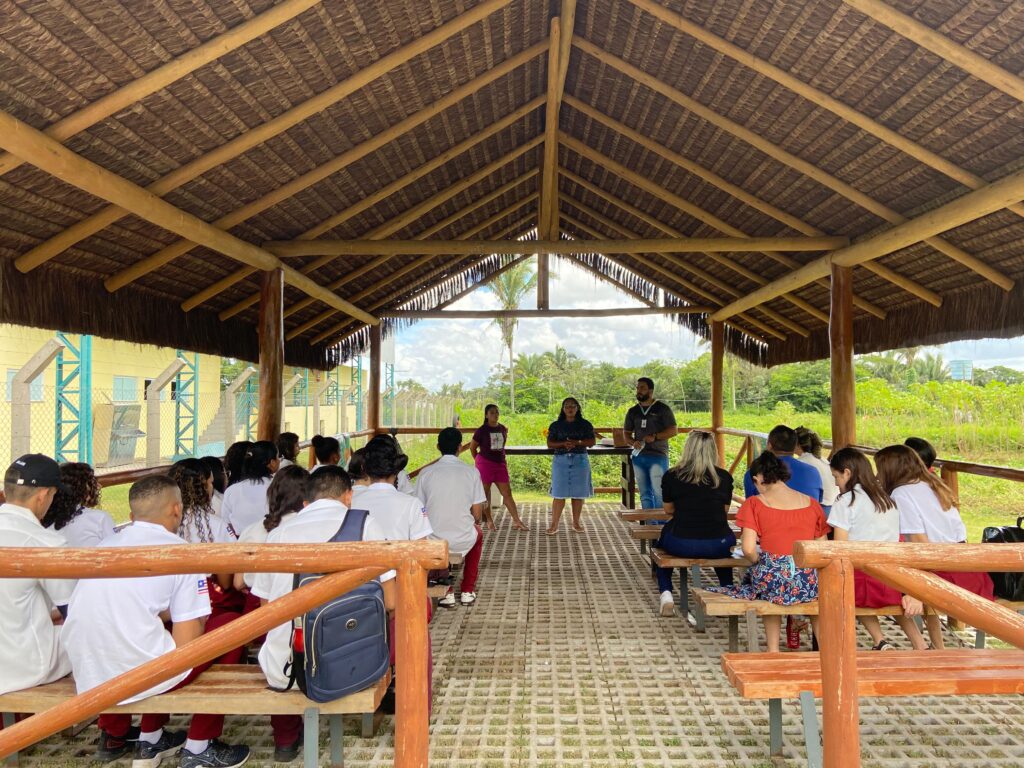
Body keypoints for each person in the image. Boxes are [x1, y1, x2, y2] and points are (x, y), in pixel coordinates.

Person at [62, 475, 252, 767]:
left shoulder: (105, 545)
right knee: (230, 625)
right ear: (177, 509)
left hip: (88, 673)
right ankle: (200, 746)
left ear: (131, 515)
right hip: (140, 676)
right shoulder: (180, 552)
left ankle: (150, 740)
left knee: (160, 631)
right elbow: (187, 648)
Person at [252, 466, 394, 732]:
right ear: (349, 497)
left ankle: (286, 737)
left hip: (287, 670)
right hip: (356, 664)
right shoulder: (366, 526)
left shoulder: (278, 535)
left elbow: (265, 610)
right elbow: (392, 601)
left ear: (307, 502)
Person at [706, 451, 830, 653]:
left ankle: (773, 649)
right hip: (807, 580)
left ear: (758, 479)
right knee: (814, 594)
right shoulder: (811, 504)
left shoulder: (755, 504)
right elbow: (822, 547)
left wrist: (761, 561)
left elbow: (747, 549)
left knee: (764, 583)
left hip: (773, 579)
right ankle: (825, 650)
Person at [875, 444, 994, 649]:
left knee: (880, 586)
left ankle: (920, 646)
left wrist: (916, 590)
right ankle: (936, 647)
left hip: (941, 572)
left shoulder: (902, 494)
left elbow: (920, 544)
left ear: (890, 470)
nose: (877, 475)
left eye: (880, 469)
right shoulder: (934, 485)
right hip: (969, 571)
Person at [827, 448, 927, 651]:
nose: (836, 483)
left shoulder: (847, 501)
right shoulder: (886, 498)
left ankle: (879, 639)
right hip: (890, 579)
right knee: (894, 603)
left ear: (847, 473)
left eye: (836, 477)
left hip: (861, 580)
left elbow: (840, 548)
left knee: (842, 588)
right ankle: (920, 644)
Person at [0, 455, 73, 697]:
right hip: (24, 666)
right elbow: (73, 613)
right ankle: (116, 725)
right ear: (43, 495)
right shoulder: (45, 543)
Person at [654, 431, 736, 617]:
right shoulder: (723, 477)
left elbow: (668, 510)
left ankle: (666, 594)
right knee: (724, 551)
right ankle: (727, 590)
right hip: (718, 543)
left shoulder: (672, 475)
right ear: (712, 451)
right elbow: (723, 511)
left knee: (660, 547)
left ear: (688, 449)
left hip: (681, 542)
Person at [416, 428, 487, 607]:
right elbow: (477, 514)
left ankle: (446, 592)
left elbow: (419, 510)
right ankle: (467, 590)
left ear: (438, 446)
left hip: (434, 539)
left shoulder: (425, 473)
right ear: (459, 447)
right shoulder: (471, 472)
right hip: (463, 537)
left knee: (432, 533)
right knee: (478, 533)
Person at [235, 465, 310, 591]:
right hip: (301, 598)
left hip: (258, 601)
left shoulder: (251, 530)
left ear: (273, 494)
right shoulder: (310, 528)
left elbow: (238, 583)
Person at [352, 436, 433, 544]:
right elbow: (421, 550)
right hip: (400, 560)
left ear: (364, 468)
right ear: (397, 469)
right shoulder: (413, 505)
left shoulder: (351, 503)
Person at [469, 404, 528, 531]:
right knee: (483, 494)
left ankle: (517, 521)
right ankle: (489, 520)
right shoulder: (481, 430)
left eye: (497, 412)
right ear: (486, 415)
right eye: (491, 413)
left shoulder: (502, 428)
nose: (495, 415)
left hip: (500, 464)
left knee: (507, 493)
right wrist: (479, 461)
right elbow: (472, 448)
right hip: (484, 464)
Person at [623, 378, 678, 510]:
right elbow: (626, 434)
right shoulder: (633, 411)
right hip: (639, 456)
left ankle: (660, 526)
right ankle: (649, 524)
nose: (638, 391)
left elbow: (673, 430)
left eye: (642, 388)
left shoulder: (662, 409)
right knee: (644, 494)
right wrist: (632, 442)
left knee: (659, 493)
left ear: (651, 391)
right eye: (637, 388)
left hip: (658, 456)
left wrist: (655, 437)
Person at [546, 397, 596, 535]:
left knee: (578, 494)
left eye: (573, 406)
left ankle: (576, 522)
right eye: (567, 406)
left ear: (577, 408)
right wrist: (563, 444)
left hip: (580, 461)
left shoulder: (585, 424)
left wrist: (577, 442)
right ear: (563, 409)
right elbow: (550, 444)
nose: (570, 408)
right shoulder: (556, 425)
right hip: (561, 460)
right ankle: (554, 524)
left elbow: (592, 441)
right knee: (559, 493)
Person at [42, 462, 115, 548]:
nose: (98, 486)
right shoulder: (100, 518)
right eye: (92, 482)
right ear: (80, 487)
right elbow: (116, 551)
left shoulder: (43, 519)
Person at [743, 425, 823, 503]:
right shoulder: (813, 472)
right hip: (808, 515)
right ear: (794, 447)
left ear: (769, 445)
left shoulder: (755, 472)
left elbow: (751, 504)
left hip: (769, 515)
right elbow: (817, 501)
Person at [221, 440, 278, 538]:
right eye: (278, 457)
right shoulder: (277, 486)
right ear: (272, 463)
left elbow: (226, 523)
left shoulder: (232, 490)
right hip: (270, 540)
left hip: (240, 542)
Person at [795, 427, 839, 515]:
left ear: (798, 445)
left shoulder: (802, 462)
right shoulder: (822, 459)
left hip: (823, 509)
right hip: (836, 507)